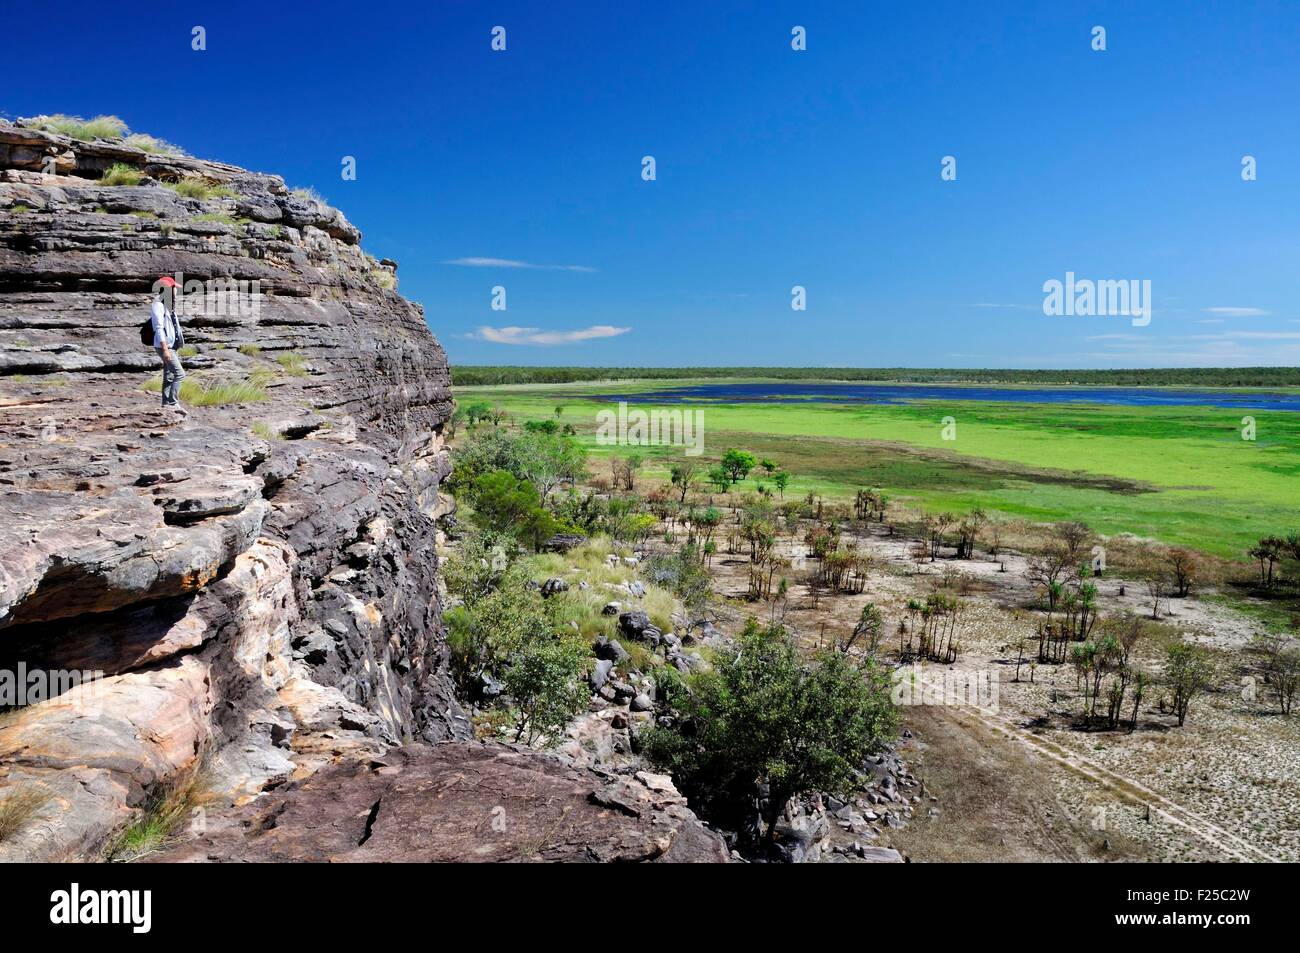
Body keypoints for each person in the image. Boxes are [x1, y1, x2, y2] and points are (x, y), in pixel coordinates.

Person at [151, 275, 187, 415]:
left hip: (172, 346)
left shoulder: (168, 304)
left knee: (170, 375)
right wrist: (165, 349)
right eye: (173, 288)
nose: (176, 291)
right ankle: (173, 403)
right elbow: (159, 328)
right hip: (165, 346)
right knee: (180, 374)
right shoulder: (158, 305)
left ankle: (166, 405)